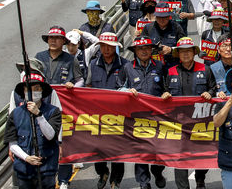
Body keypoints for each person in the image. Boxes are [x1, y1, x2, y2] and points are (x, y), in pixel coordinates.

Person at [163, 37, 215, 189]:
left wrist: (209, 93)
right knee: (179, 157)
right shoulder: (171, 71)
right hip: (178, 122)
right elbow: (165, 90)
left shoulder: (205, 69)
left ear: (194, 52)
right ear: (177, 54)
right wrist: (165, 94)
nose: (185, 54)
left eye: (188, 51)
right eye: (182, 51)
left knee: (202, 154)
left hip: (200, 121)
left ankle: (200, 179)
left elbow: (213, 88)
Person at [35, 26, 81, 189]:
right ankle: (45, 176)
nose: (53, 41)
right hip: (42, 107)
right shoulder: (38, 58)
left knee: (64, 141)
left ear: (64, 41)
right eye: (50, 38)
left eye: (57, 38)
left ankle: (63, 179)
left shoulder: (70, 59)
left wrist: (72, 85)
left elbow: (79, 79)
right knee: (43, 139)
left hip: (64, 106)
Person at [119, 36, 167, 189]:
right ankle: (143, 182)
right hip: (136, 118)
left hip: (157, 117)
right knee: (140, 152)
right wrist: (127, 90)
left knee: (158, 152)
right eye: (140, 48)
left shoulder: (159, 65)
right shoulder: (127, 68)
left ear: (151, 50)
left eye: (147, 48)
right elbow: (118, 88)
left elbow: (167, 88)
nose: (144, 51)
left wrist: (166, 94)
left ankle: (158, 172)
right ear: (135, 51)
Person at [4, 70, 62, 189]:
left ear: (42, 90)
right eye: (28, 89)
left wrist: (39, 115)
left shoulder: (53, 112)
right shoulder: (15, 114)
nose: (32, 92)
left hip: (47, 167)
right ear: (24, 92)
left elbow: (51, 135)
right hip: (24, 169)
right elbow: (12, 143)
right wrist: (26, 158)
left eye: (36, 88)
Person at [85, 33, 127, 189]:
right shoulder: (93, 64)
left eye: (109, 46)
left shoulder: (125, 64)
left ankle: (116, 180)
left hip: (119, 116)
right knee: (98, 148)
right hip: (98, 116)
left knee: (118, 150)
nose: (106, 49)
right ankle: (102, 172)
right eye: (103, 46)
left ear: (115, 47)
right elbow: (88, 87)